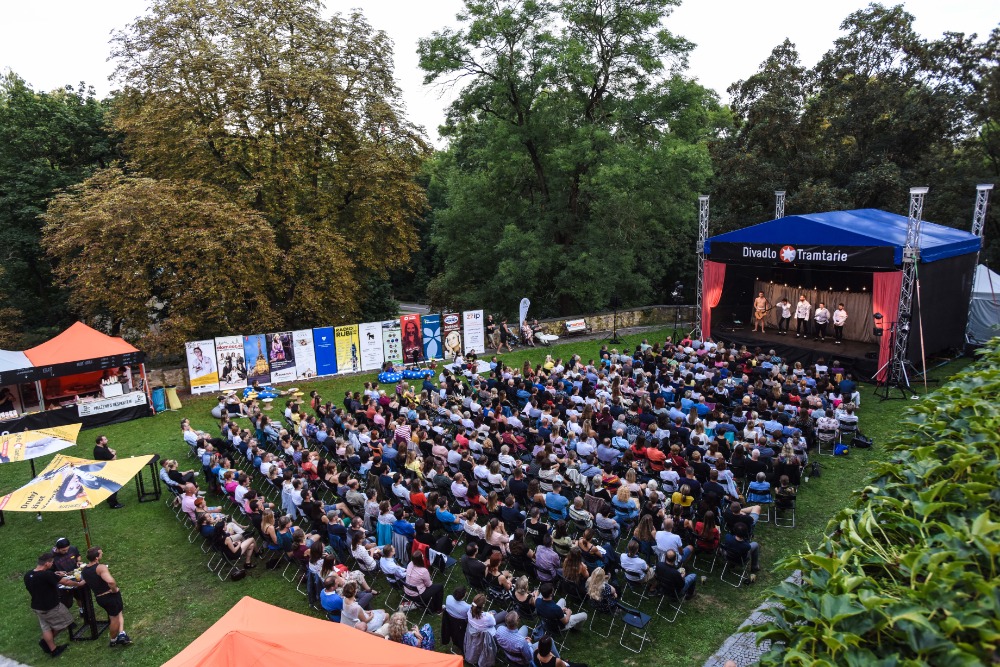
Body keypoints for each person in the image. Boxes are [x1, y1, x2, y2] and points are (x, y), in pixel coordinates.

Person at [25, 552, 84, 657]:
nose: (52, 564)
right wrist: (78, 584)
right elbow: (66, 582)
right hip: (50, 606)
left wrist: (54, 575)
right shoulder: (47, 575)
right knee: (64, 622)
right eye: (51, 562)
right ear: (47, 563)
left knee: (46, 627)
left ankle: (53, 649)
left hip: (37, 606)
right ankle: (47, 642)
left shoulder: (28, 575)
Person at [80, 546, 132, 647]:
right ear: (96, 558)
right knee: (114, 619)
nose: (102, 553)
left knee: (118, 612)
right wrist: (114, 590)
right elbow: (111, 581)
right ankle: (113, 640)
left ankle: (121, 633)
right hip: (109, 596)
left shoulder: (85, 570)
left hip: (99, 598)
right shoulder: (100, 568)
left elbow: (85, 582)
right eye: (101, 553)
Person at [93, 435, 124, 509]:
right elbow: (113, 458)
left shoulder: (101, 447)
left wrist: (112, 452)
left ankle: (109, 499)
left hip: (105, 469)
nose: (107, 440)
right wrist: (114, 453)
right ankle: (113, 504)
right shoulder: (101, 451)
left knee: (110, 485)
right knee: (113, 485)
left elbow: (112, 450)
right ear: (101, 441)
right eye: (105, 439)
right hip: (106, 470)